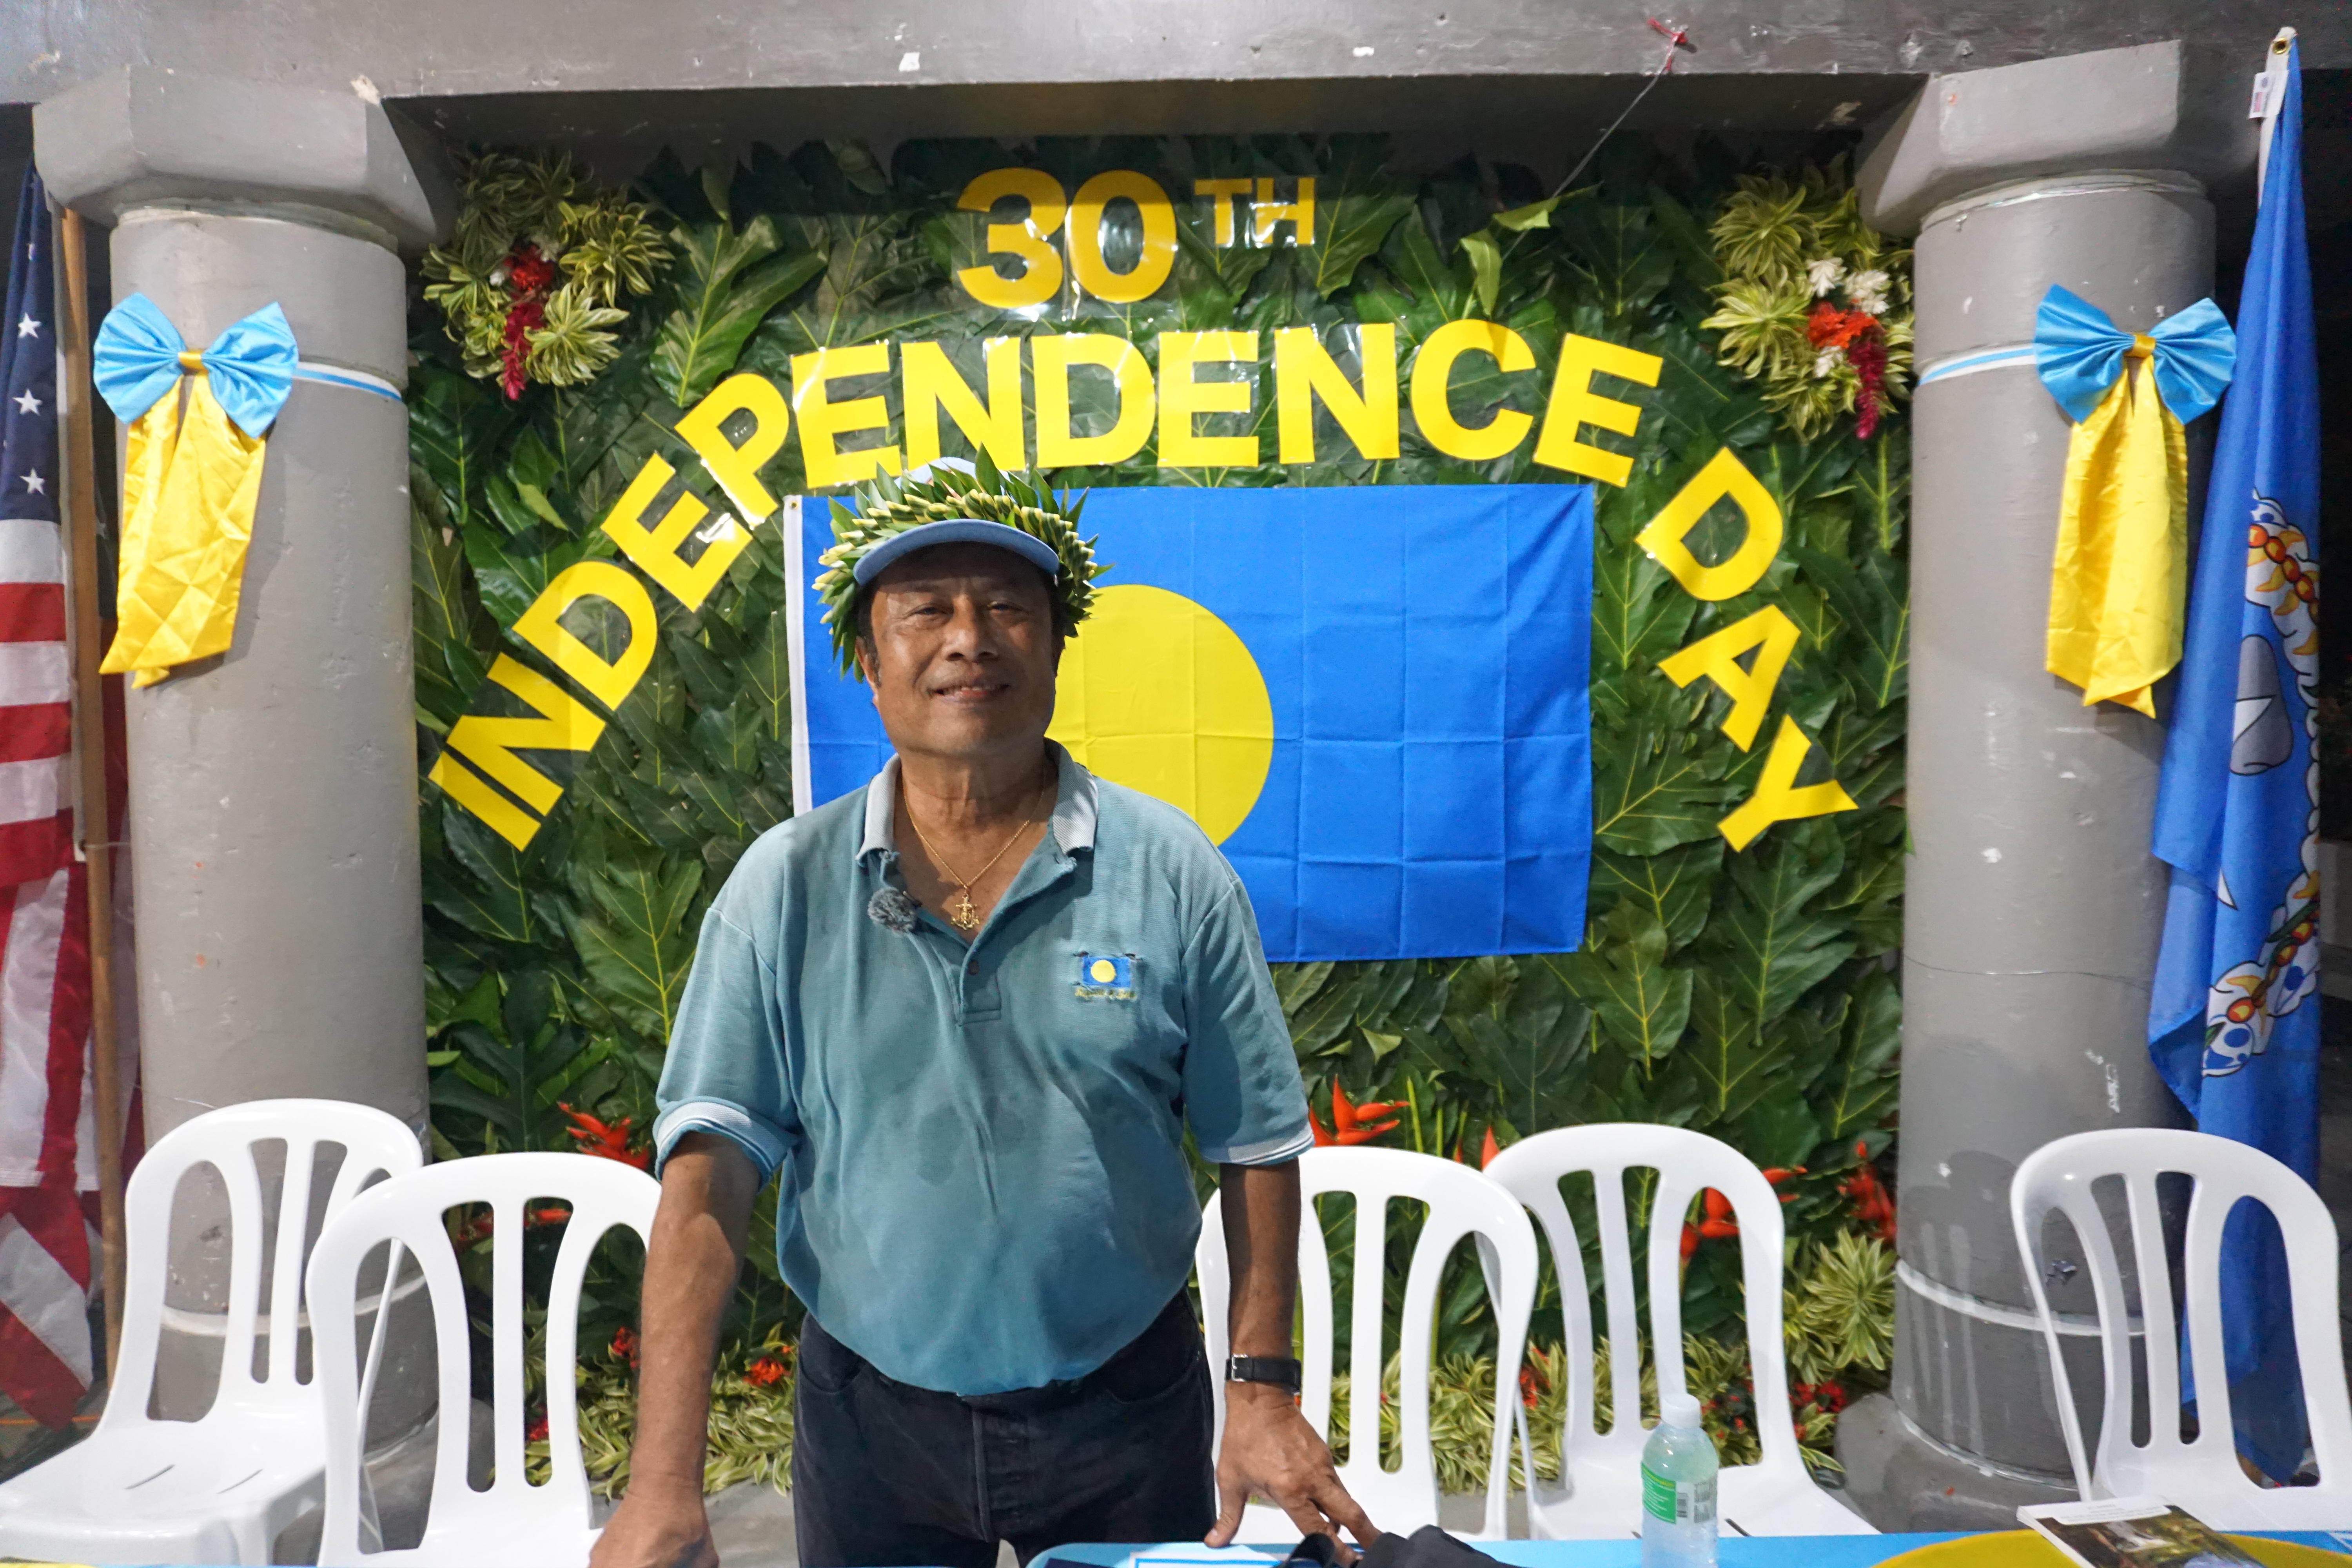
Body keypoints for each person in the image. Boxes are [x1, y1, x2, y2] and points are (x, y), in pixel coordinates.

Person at [590, 465, 1377, 1568]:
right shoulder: (786, 887)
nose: (970, 638)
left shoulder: (1172, 872)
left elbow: (1256, 1145)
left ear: (1055, 649)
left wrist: (1261, 1392)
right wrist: (662, 1486)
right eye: (926, 610)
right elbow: (707, 1185)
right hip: (870, 1418)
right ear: (869, 663)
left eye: (1007, 607)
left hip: (1127, 1402)